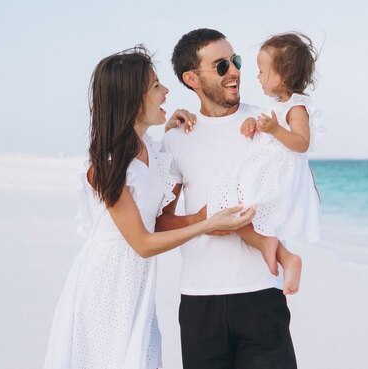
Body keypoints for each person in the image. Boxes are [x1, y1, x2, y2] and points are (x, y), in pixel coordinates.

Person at [43, 45, 255, 369]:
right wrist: (206, 225)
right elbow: (142, 242)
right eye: (156, 86)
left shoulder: (151, 150)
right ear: (132, 98)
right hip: (107, 282)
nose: (167, 90)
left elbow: (156, 222)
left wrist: (199, 216)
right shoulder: (107, 164)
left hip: (137, 283)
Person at [157, 29, 298, 369]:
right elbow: (160, 224)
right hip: (200, 303)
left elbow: (297, 174)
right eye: (221, 66)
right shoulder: (176, 140)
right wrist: (206, 222)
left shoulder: (266, 124)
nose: (235, 71)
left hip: (262, 293)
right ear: (192, 78)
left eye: (235, 61)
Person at [207, 32, 323, 294]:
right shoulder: (276, 104)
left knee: (235, 208)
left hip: (278, 177)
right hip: (265, 172)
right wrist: (254, 125)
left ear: (284, 74)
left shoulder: (297, 107)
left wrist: (274, 130)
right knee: (226, 203)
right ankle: (281, 253)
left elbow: (302, 143)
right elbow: (266, 124)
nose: (257, 76)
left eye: (262, 71)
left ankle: (281, 253)